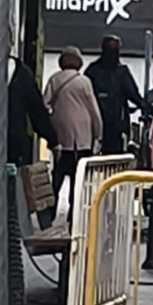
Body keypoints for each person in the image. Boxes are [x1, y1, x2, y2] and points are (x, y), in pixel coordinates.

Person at [44, 46, 103, 221]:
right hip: (83, 140)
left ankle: (50, 213)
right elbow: (94, 111)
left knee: (58, 176)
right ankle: (73, 214)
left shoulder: (54, 80)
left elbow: (44, 104)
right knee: (78, 179)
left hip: (62, 139)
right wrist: (98, 134)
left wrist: (55, 119)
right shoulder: (84, 82)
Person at [85, 35, 149, 154]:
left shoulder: (92, 70)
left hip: (95, 122)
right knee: (115, 155)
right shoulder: (121, 72)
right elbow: (132, 94)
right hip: (117, 122)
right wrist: (144, 106)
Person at [8, 55, 59, 166]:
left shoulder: (22, 73)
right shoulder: (22, 73)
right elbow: (37, 112)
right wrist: (52, 140)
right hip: (13, 142)